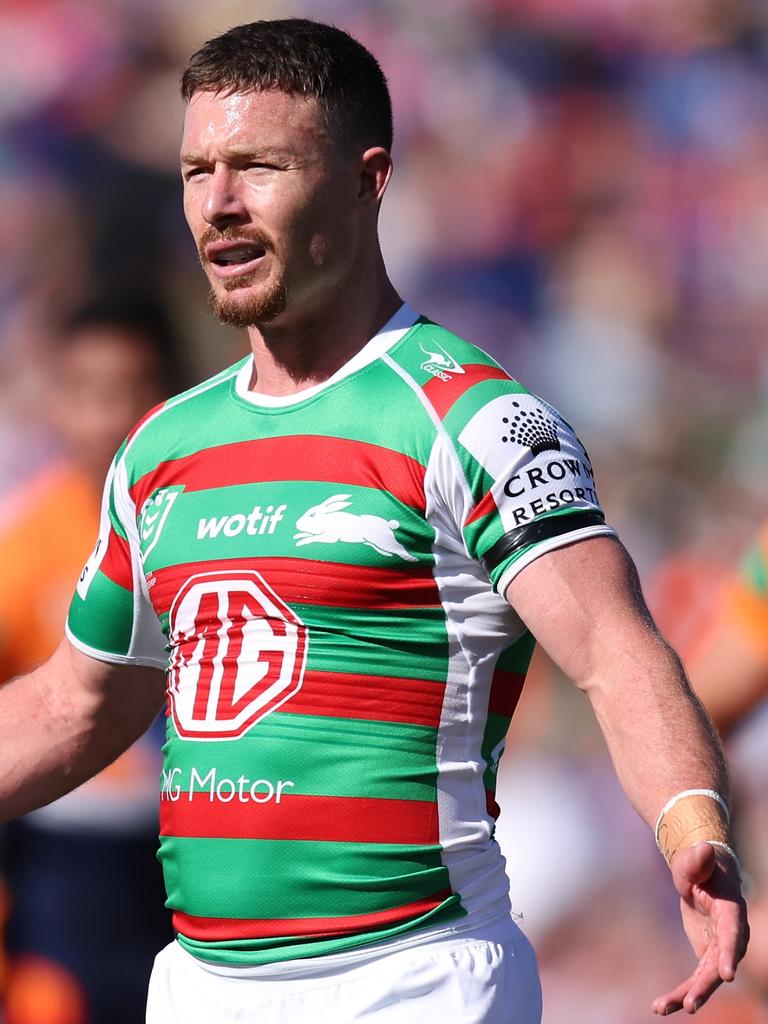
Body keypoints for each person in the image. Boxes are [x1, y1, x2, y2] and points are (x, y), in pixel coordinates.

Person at [0, 19, 748, 1023]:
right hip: (197, 985)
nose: (218, 205)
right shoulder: (160, 449)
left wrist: (688, 820)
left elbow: (616, 651)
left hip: (408, 981)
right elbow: (77, 705)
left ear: (369, 179)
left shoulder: (475, 419)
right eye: (197, 170)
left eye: (258, 166)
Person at [0, 297, 178, 1024]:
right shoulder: (30, 542)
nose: (109, 419)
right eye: (87, 393)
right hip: (63, 867)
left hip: (185, 851)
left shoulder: (206, 530)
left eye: (132, 392)